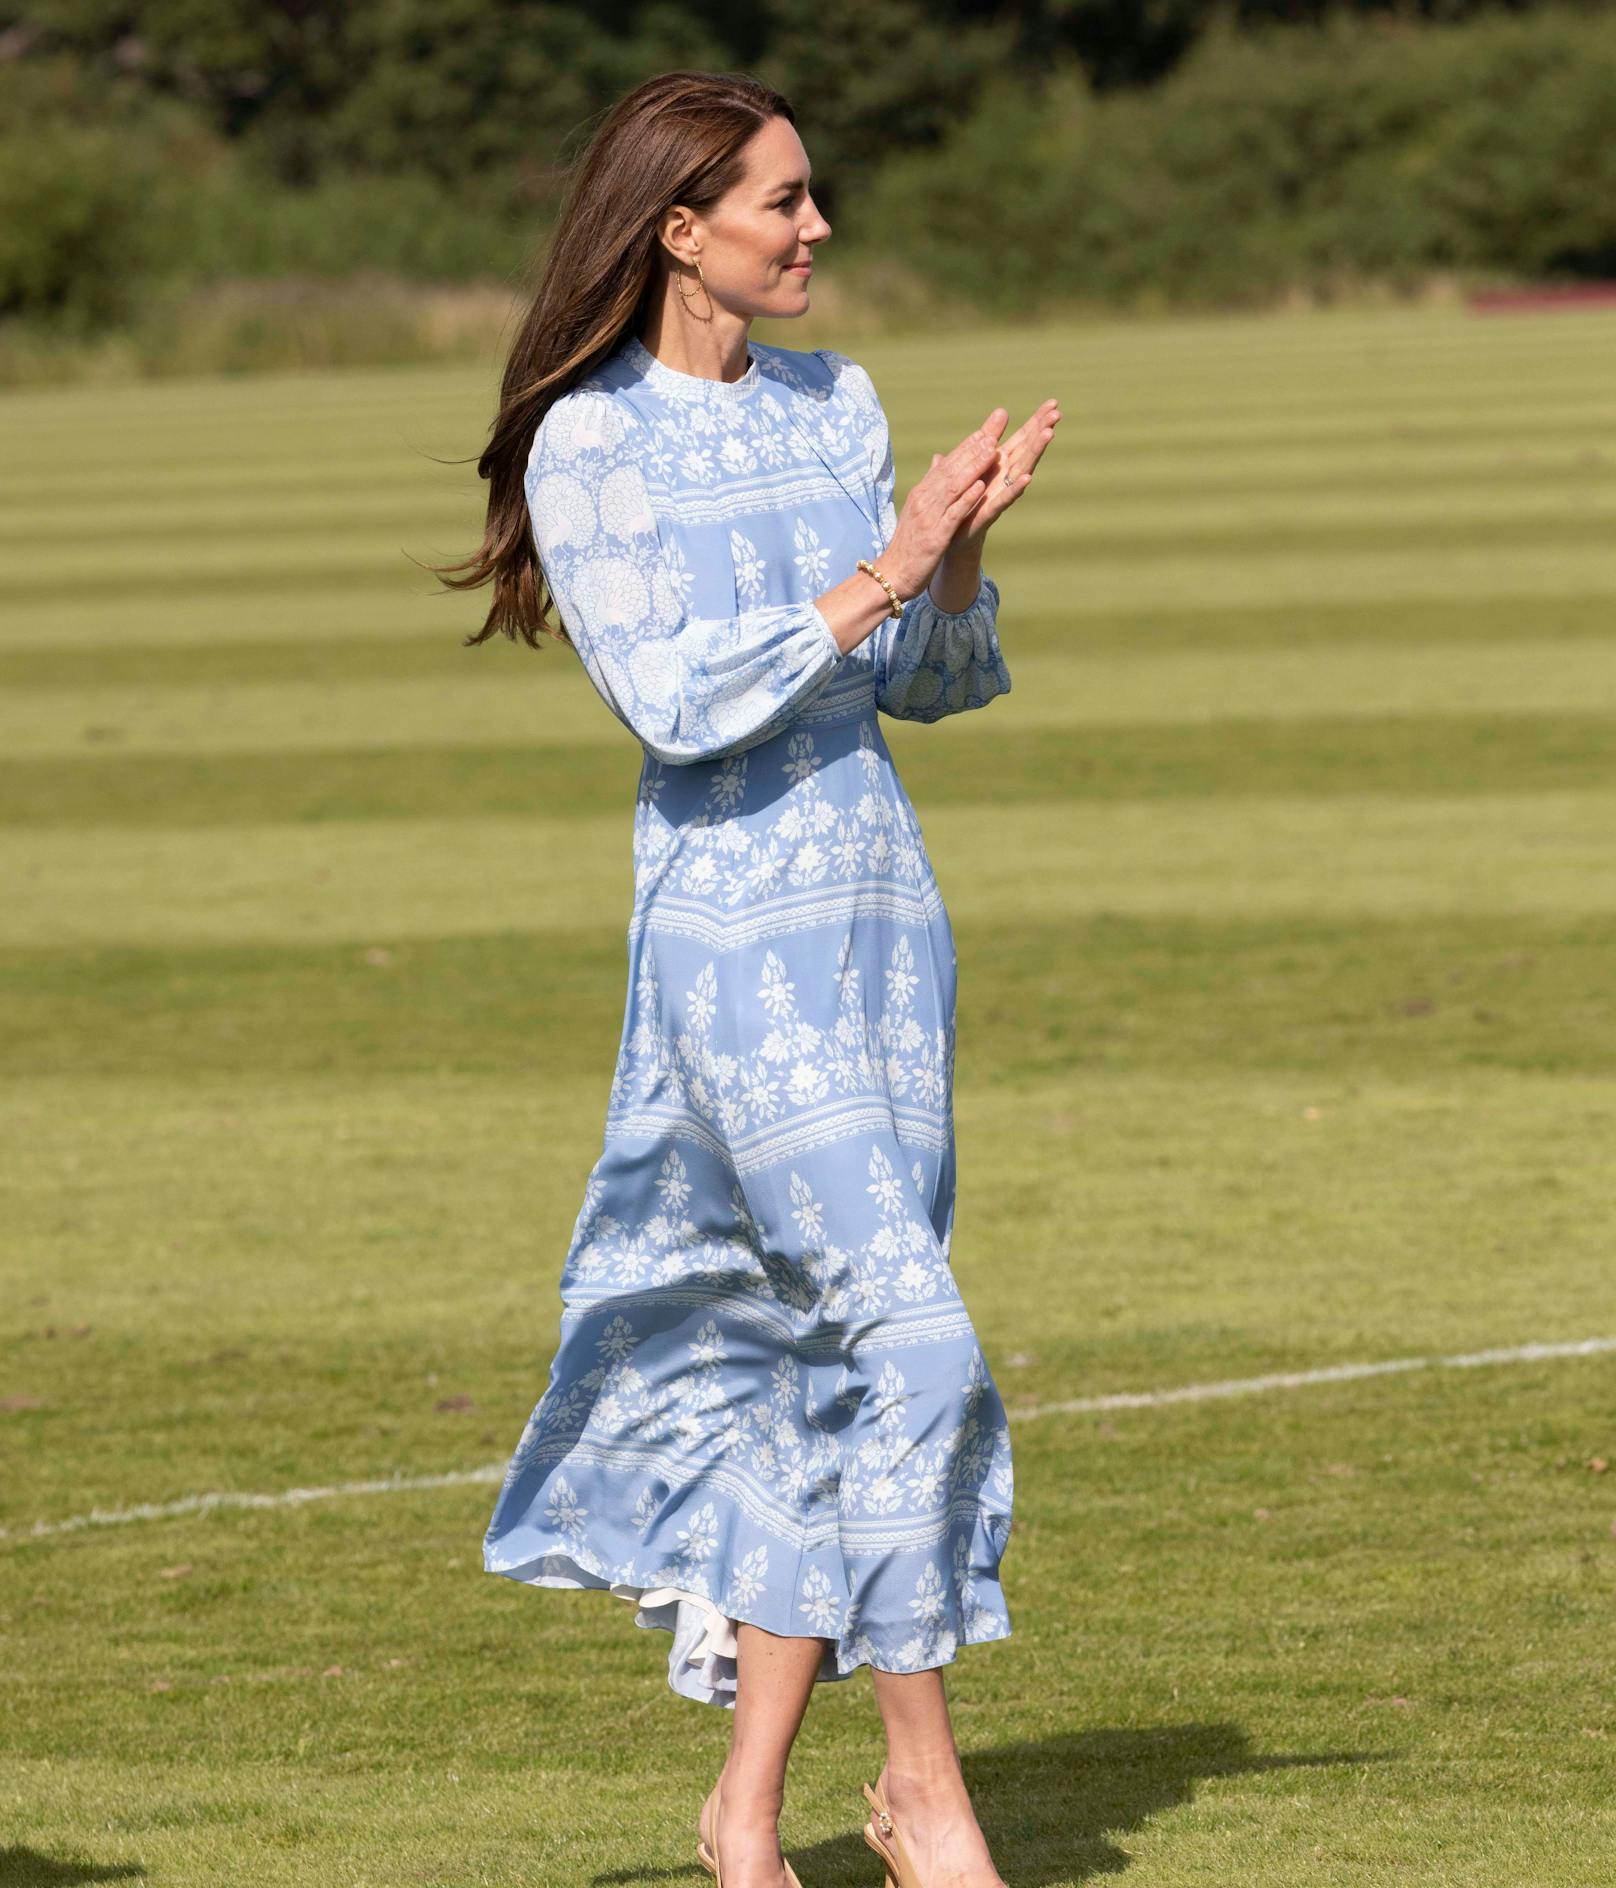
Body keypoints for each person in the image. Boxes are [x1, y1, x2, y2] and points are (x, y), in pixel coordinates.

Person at [431, 68, 1059, 1888]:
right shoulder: (590, 443)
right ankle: (931, 1793)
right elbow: (682, 704)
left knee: (820, 1364)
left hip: (878, 914)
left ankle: (744, 1816)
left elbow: (931, 684)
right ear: (677, 229)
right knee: (916, 1345)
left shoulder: (838, 400)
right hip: (730, 939)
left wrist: (958, 550)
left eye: (813, 194)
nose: (817, 227)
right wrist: (887, 564)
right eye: (782, 201)